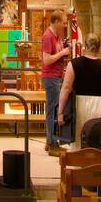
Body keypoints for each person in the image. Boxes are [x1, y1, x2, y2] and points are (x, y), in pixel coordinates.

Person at [57, 33, 101, 147]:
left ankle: (79, 162)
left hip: (79, 105)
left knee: (79, 140)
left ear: (85, 46)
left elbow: (65, 89)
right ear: (99, 48)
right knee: (95, 140)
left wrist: (60, 112)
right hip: (99, 105)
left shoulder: (73, 64)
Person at [40, 9, 71, 154]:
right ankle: (52, 144)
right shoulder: (47, 36)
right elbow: (46, 60)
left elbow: (57, 54)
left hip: (56, 76)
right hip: (50, 77)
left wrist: (65, 49)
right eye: (63, 22)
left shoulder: (57, 35)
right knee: (52, 111)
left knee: (55, 109)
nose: (65, 25)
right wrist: (62, 53)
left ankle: (51, 141)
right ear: (56, 22)